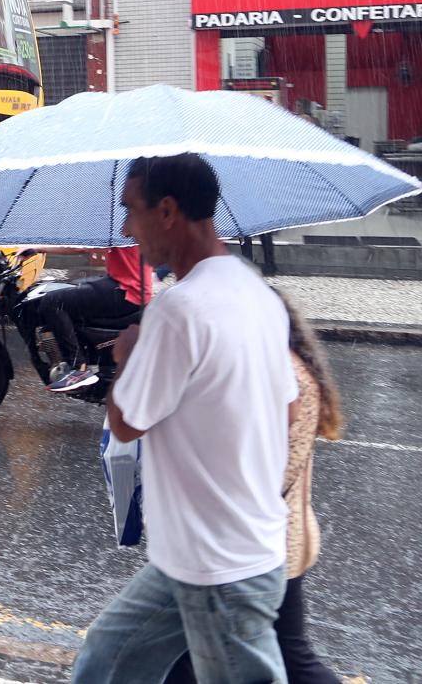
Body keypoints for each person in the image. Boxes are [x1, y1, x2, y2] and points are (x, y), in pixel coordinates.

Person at [71, 153, 296, 684]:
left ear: (167, 210)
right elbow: (288, 407)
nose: (126, 228)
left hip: (221, 568)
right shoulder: (255, 291)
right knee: (104, 665)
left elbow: (127, 424)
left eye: (131, 210)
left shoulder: (178, 312)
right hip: (194, 558)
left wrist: (128, 354)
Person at [165, 290, 346, 684]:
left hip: (258, 546)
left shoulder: (286, 378)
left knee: (287, 659)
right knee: (190, 654)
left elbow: (269, 473)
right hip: (261, 543)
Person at [42, 247, 154, 394]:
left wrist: (38, 248)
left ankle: (78, 368)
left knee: (53, 301)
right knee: (75, 290)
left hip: (127, 290)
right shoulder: (133, 225)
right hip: (130, 286)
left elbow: (82, 246)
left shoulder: (121, 226)